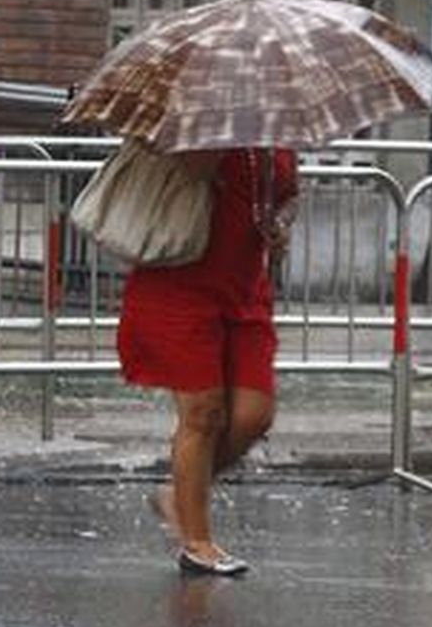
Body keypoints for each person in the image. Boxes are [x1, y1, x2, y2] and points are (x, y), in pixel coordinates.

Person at [119, 147, 299, 576]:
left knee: (254, 415)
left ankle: (178, 494)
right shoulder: (192, 128)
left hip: (244, 290)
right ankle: (197, 543)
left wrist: (281, 224)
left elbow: (287, 198)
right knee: (203, 414)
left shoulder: (276, 141)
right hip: (179, 280)